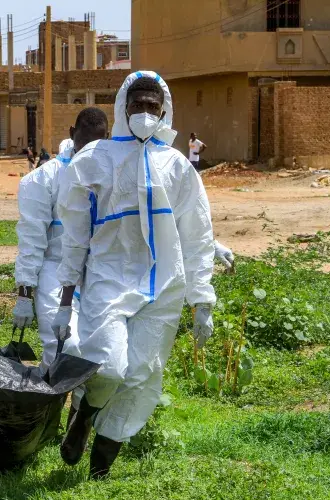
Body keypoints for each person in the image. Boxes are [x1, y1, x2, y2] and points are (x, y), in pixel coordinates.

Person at [54, 71, 216, 479]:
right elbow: (74, 234)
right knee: (109, 367)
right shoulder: (96, 158)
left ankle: (101, 464)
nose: (145, 112)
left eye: (152, 106)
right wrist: (65, 300)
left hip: (164, 286)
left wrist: (202, 298)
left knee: (142, 374)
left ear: (163, 111)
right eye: (137, 104)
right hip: (108, 279)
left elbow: (197, 234)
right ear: (124, 109)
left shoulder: (178, 166)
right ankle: (85, 414)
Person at [13, 108, 108, 372]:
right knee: (64, 346)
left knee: (96, 351)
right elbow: (32, 239)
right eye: (84, 143)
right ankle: (48, 391)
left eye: (97, 144)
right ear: (72, 133)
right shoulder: (43, 178)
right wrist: (24, 294)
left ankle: (76, 397)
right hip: (55, 270)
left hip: (98, 272)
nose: (89, 151)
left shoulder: (111, 175)